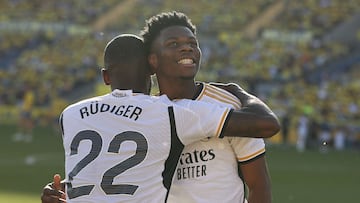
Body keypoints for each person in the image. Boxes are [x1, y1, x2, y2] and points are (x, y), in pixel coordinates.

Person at [41, 34, 279, 203]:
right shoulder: (169, 112)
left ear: (105, 76)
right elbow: (266, 124)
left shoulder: (70, 115)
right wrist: (237, 92)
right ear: (151, 70)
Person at [140, 11, 274, 203]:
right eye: (174, 44)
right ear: (153, 60)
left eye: (192, 43)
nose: (187, 48)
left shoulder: (227, 104)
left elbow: (259, 185)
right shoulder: (148, 115)